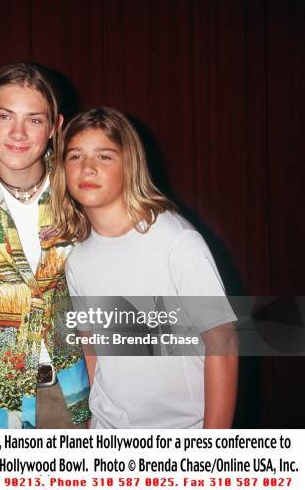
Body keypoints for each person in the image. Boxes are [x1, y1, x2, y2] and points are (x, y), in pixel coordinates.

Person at [52, 108, 239, 428]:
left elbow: (223, 342)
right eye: (75, 156)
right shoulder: (77, 258)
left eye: (105, 156)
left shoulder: (176, 240)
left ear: (130, 164)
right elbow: (91, 346)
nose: (88, 168)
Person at [0, 63, 91, 429]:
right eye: (5, 116)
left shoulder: (79, 195)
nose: (18, 133)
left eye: (34, 119)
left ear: (55, 126)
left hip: (73, 399)